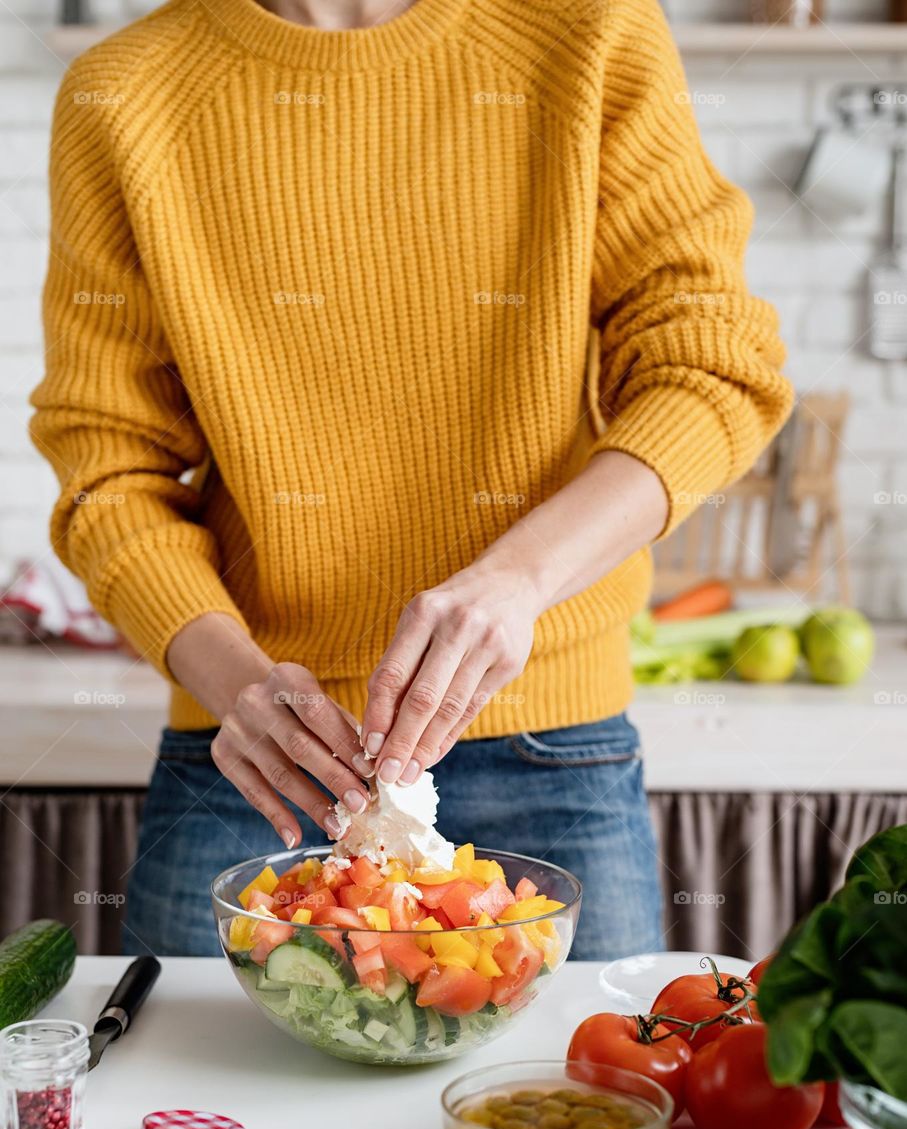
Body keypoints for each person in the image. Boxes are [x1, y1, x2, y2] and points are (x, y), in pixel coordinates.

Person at [31, 0, 791, 960]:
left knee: (590, 1099)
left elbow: (711, 366)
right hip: (257, 765)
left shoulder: (590, 31)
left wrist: (516, 581)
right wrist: (239, 686)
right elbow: (108, 465)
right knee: (181, 1108)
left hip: (549, 754)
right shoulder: (125, 89)